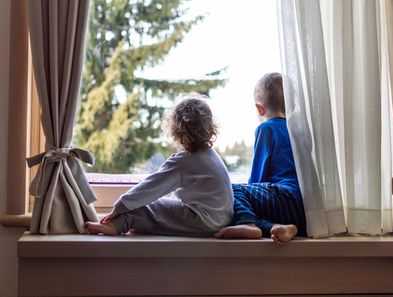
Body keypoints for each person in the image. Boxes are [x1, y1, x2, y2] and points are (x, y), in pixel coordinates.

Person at [85, 96, 234, 236]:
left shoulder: (184, 161)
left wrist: (119, 207)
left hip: (203, 220)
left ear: (176, 131)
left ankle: (117, 225)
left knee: (146, 206)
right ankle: (136, 225)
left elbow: (150, 187)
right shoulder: (211, 155)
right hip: (221, 220)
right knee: (161, 209)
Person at [215, 73, 306, 244]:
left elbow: (258, 175)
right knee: (250, 205)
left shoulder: (266, 128)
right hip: (302, 208)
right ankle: (279, 227)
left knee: (231, 189)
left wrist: (248, 191)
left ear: (259, 108)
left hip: (283, 196)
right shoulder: (298, 131)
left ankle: (248, 224)